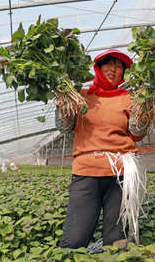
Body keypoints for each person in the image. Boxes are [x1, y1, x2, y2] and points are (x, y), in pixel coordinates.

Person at [56, 49, 149, 249]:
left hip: (121, 174)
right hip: (86, 173)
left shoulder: (130, 98)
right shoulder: (81, 96)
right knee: (75, 238)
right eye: (108, 64)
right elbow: (65, 127)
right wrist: (63, 105)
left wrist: (145, 110)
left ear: (124, 72)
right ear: (98, 67)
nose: (113, 69)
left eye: (119, 66)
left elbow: (136, 133)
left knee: (116, 239)